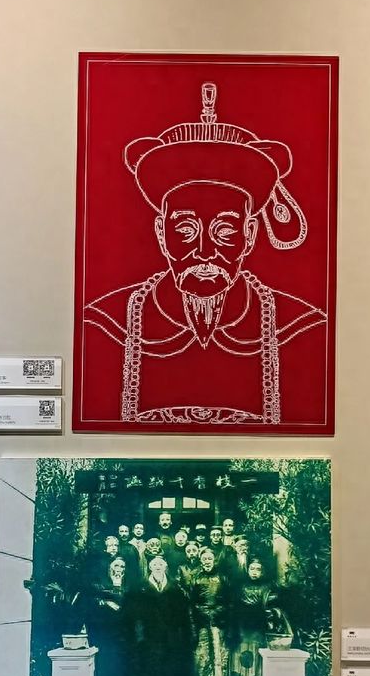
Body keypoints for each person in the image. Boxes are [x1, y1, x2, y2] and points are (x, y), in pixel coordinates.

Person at [81, 83, 327, 426]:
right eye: (185, 229)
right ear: (161, 234)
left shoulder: (301, 327)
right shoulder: (104, 324)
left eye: (225, 230)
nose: (205, 250)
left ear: (250, 235)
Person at [129, 552, 192, 676]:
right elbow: (132, 616)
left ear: (166, 567)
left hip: (170, 638)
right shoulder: (140, 588)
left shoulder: (174, 589)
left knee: (169, 671)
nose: (158, 567)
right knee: (149, 671)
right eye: (155, 565)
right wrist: (138, 637)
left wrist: (183, 637)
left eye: (161, 565)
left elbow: (184, 616)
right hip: (148, 638)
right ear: (150, 567)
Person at [85, 554, 132, 676]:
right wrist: (107, 603)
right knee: (105, 666)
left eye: (122, 567)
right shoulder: (100, 583)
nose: (119, 569)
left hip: (122, 634)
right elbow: (94, 603)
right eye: (116, 566)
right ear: (110, 568)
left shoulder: (128, 585)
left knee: (121, 668)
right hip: (105, 633)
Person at [187, 545, 227, 676]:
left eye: (210, 559)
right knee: (202, 659)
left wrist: (218, 611)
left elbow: (228, 601)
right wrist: (198, 616)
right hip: (201, 623)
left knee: (218, 658)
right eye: (204, 559)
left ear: (215, 560)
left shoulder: (223, 578)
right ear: (200, 560)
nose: (207, 562)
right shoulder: (195, 577)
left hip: (218, 623)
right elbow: (190, 603)